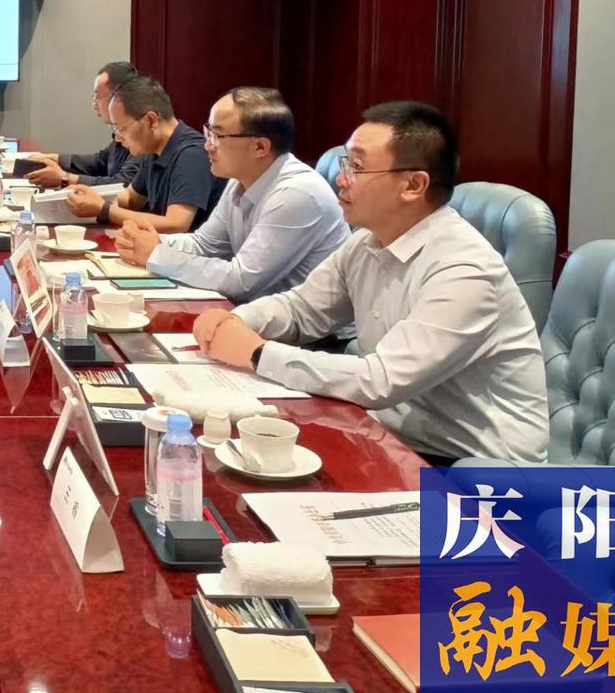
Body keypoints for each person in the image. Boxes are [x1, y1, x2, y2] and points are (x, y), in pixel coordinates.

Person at [191, 101, 549, 464]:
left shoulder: (464, 270)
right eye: (345, 163)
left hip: (474, 467)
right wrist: (238, 321)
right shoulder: (367, 241)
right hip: (393, 435)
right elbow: (302, 308)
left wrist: (257, 353)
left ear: (413, 185)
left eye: (357, 168)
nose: (341, 179)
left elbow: (381, 380)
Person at [113, 87, 347, 300]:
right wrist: (152, 241)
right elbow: (205, 244)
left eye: (218, 136)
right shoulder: (239, 179)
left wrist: (157, 254)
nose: (208, 145)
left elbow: (241, 281)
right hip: (263, 312)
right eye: (209, 132)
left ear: (260, 147)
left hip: (311, 330)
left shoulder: (297, 194)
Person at [63, 74, 224, 232]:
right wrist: (91, 197)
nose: (118, 138)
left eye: (120, 128)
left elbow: (176, 224)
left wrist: (103, 209)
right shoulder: (153, 149)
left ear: (151, 121)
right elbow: (131, 199)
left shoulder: (192, 154)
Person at [25, 61, 142, 189]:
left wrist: (64, 178)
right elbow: (100, 162)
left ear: (118, 97)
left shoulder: (142, 135)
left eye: (98, 96)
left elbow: (123, 184)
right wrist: (52, 158)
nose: (94, 105)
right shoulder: (122, 134)